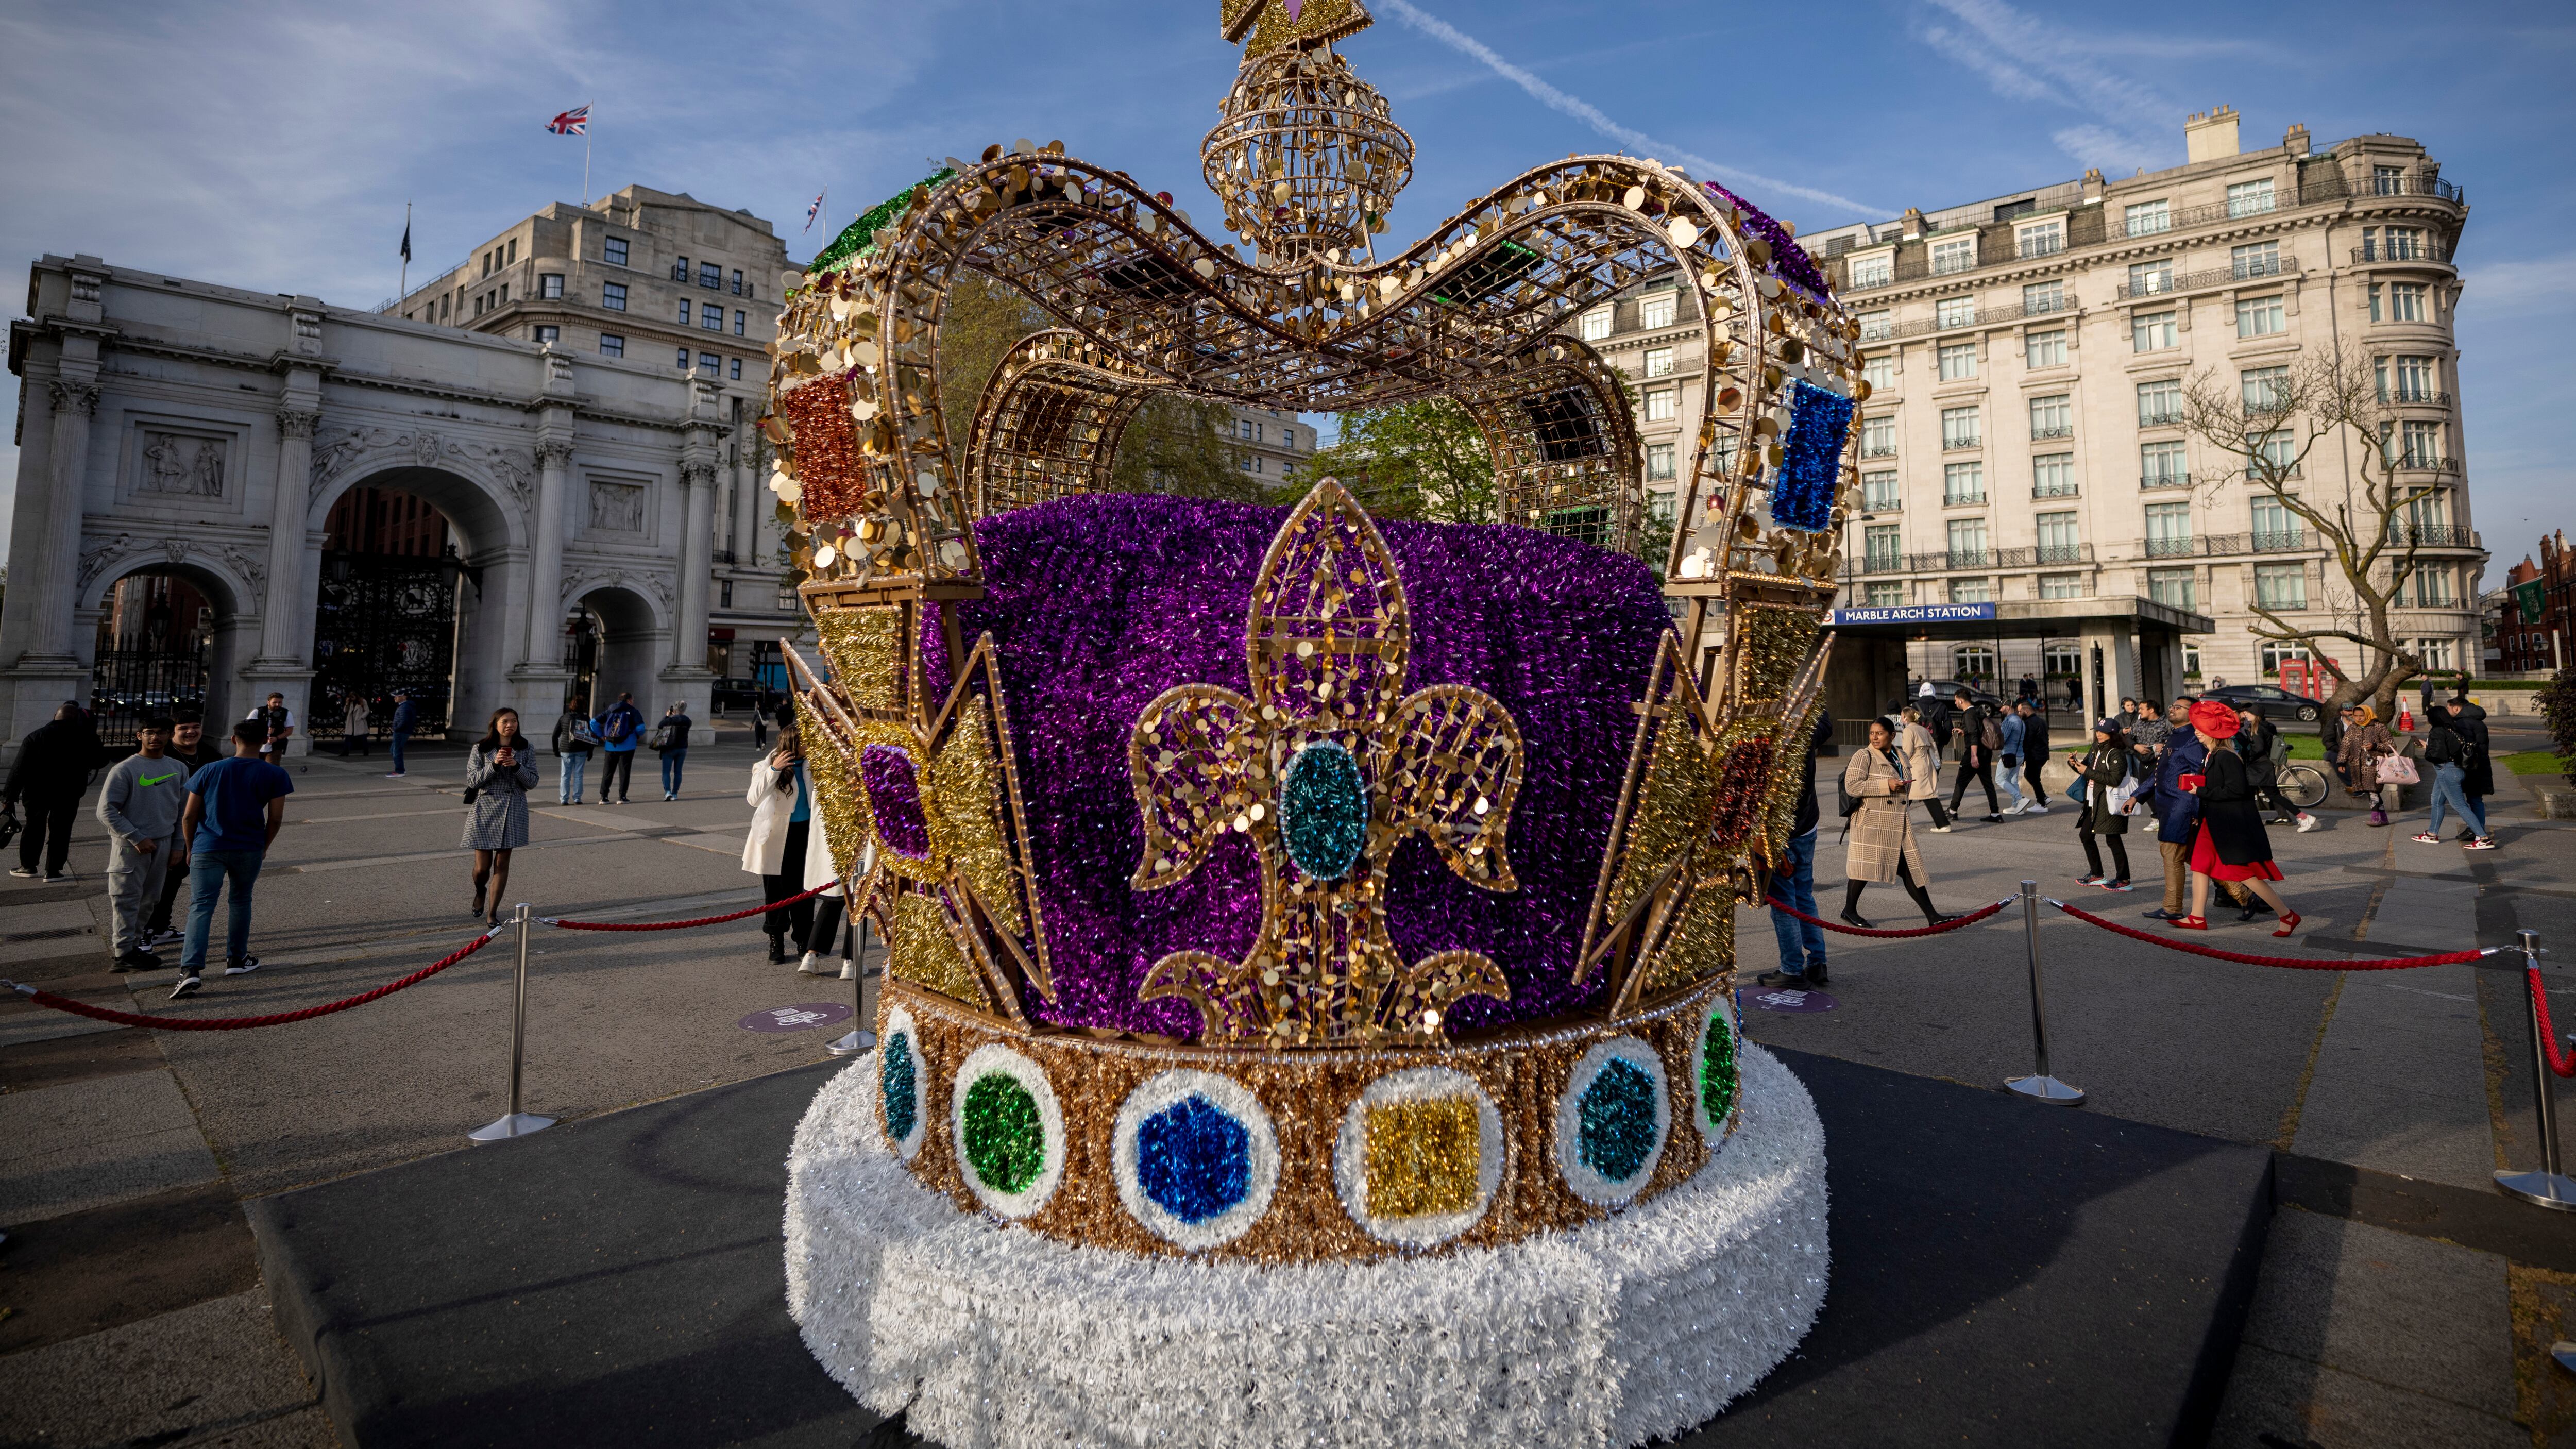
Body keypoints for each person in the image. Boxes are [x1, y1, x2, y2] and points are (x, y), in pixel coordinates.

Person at [173, 718, 294, 997]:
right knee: (240, 900)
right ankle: (237, 959)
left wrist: (191, 848)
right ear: (265, 739)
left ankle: (190, 970)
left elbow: (189, 815)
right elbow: (275, 818)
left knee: (201, 906)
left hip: (208, 845)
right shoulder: (275, 774)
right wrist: (264, 845)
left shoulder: (210, 769)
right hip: (248, 846)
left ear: (233, 740)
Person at [2175, 701, 2300, 935]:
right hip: (2213, 823)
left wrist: (2199, 791)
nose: (2197, 732)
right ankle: (2196, 917)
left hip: (2228, 826)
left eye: (2201, 728)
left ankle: (2287, 915)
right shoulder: (2215, 755)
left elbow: (2236, 791)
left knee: (2243, 874)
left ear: (2213, 732)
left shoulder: (2226, 757)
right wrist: (2200, 810)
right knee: (2200, 866)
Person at [2142, 699, 2259, 922]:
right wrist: (2136, 796)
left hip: (2182, 807)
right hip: (2172, 808)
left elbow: (2201, 778)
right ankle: (2245, 895)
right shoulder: (2177, 736)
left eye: (2178, 707)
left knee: (2172, 854)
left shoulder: (2192, 740)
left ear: (2192, 714)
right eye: (2172, 706)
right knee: (2195, 857)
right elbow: (2161, 775)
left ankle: (2172, 907)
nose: (2172, 708)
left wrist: (2196, 810)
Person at [1840, 717, 1955, 928]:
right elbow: (1853, 786)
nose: (1874, 737)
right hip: (1872, 822)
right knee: (1864, 868)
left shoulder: (1900, 754)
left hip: (1896, 821)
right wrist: (1886, 785)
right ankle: (1849, 910)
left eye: (1880, 733)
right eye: (1872, 733)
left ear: (1892, 736)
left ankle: (1932, 916)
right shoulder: (1863, 755)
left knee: (1907, 869)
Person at [97, 716, 189, 971]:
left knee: (150, 900)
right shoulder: (125, 769)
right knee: (126, 899)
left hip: (164, 845)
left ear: (170, 736)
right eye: (149, 733)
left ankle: (133, 948)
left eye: (161, 733)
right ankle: (122, 953)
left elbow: (182, 810)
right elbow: (106, 811)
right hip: (131, 847)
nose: (155, 738)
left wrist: (178, 846)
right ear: (139, 736)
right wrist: (136, 837)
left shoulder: (178, 768)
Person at [1760, 710, 1834, 989]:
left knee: (1783, 901)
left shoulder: (1770, 739)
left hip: (1782, 831)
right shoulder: (1805, 732)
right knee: (1804, 895)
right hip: (1807, 824)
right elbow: (1825, 724)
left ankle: (1792, 968)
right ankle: (1817, 962)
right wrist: (1811, 700)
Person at [142, 706, 224, 950]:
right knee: (156, 882)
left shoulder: (211, 755)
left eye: (195, 727)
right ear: (172, 732)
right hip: (165, 828)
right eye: (183, 728)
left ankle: (160, 928)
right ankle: (144, 931)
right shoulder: (161, 755)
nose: (191, 732)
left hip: (199, 829)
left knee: (175, 878)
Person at [3, 702, 101, 882]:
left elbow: (19, 769)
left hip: (37, 792)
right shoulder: (85, 736)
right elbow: (100, 761)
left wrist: (9, 796)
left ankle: (28, 866)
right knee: (62, 829)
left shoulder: (36, 736)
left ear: (56, 716)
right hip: (69, 792)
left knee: (34, 827)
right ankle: (54, 870)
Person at [744, 726, 819, 962]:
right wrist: (774, 769)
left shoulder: (812, 766)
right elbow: (753, 799)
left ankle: (804, 941)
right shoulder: (765, 766)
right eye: (806, 742)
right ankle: (776, 941)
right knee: (775, 893)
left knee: (805, 891)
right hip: (776, 838)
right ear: (793, 744)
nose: (810, 745)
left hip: (805, 835)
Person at [462, 708, 540, 925]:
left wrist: (517, 766)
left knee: (502, 864)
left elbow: (532, 782)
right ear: (495, 725)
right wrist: (494, 764)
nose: (510, 725)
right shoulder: (481, 748)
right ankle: (480, 891)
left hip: (514, 808)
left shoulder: (525, 748)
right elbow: (473, 781)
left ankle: (492, 913)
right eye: (505, 721)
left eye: (514, 721)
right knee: (481, 869)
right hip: (486, 809)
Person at [2066, 719, 2134, 890]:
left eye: (2102, 731)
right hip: (2093, 799)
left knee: (2113, 838)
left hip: (2108, 801)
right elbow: (2086, 769)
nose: (2098, 734)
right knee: (2086, 836)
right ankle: (2097, 874)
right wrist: (2074, 764)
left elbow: (2114, 779)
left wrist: (2086, 771)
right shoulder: (2096, 748)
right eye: (2097, 731)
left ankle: (2124, 880)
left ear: (2112, 734)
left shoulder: (2116, 753)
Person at [2238, 707, 2318, 832]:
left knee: (2272, 795)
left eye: (2249, 713)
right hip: (2260, 768)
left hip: (2260, 769)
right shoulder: (2261, 727)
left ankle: (2303, 817)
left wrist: (2246, 757)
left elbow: (2258, 749)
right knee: (2257, 795)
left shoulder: (2258, 729)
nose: (2246, 715)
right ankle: (2294, 817)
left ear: (2256, 715)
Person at [1945, 688, 2004, 823]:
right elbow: (1978, 731)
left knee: (1961, 781)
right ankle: (1995, 813)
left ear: (1961, 700)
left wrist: (1973, 756)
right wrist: (1964, 732)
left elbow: (1974, 735)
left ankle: (1953, 810)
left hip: (1974, 754)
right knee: (1988, 783)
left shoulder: (1968, 714)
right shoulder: (1979, 712)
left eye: (1956, 701)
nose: (1955, 704)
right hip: (1986, 753)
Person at [2336, 703, 2400, 827]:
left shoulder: (2379, 727)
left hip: (2374, 766)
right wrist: (2341, 762)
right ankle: (2384, 818)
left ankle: (2376, 818)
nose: (2359, 718)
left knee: (2373, 791)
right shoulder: (2352, 728)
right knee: (2371, 791)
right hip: (2357, 766)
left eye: (2362, 716)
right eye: (2356, 716)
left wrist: (2375, 746)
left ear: (2369, 714)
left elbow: (2391, 746)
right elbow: (2345, 746)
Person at [2450, 694, 2497, 849]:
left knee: (2473, 800)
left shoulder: (2462, 723)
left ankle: (2478, 832)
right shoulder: (2477, 721)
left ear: (2457, 708)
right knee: (2476, 799)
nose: (2448, 711)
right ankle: (2475, 829)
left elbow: (2465, 747)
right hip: (2480, 763)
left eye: (2449, 708)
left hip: (2471, 765)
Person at [1897, 705, 1951, 832]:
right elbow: (1933, 746)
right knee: (1926, 795)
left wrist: (1900, 762)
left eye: (1902, 716)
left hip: (1915, 765)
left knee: (1909, 794)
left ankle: (1896, 822)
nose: (1901, 718)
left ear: (1905, 718)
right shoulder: (1923, 729)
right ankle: (1942, 824)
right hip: (1926, 763)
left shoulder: (1909, 731)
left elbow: (1908, 752)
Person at [593, 691, 645, 805]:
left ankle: (604, 797)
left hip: (610, 746)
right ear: (629, 700)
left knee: (608, 772)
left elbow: (593, 723)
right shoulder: (633, 711)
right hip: (628, 746)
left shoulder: (610, 710)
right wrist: (635, 734)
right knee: (625, 772)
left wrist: (602, 736)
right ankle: (622, 796)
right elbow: (641, 728)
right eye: (633, 700)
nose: (633, 702)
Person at [551, 696, 596, 805]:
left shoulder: (564, 718)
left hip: (566, 749)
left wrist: (556, 750)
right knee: (579, 774)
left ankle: (564, 799)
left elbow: (555, 735)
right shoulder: (586, 719)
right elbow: (591, 736)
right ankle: (577, 798)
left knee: (565, 775)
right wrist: (591, 751)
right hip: (582, 749)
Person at [2014, 699, 2052, 814]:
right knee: (2031, 776)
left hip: (2035, 755)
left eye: (2020, 711)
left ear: (2026, 710)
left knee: (2033, 777)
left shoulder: (2029, 724)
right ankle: (2044, 798)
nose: (2019, 714)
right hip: (2042, 754)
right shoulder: (2041, 721)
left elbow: (2027, 743)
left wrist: (2023, 758)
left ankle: (2042, 803)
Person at [652, 701, 693, 800]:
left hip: (670, 747)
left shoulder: (671, 720)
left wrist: (668, 716)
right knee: (678, 772)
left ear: (675, 709)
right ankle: (675, 793)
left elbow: (661, 725)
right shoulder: (688, 721)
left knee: (666, 771)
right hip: (683, 747)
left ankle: (668, 792)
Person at [1994, 698, 2029, 815]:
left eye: (2002, 707)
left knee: (1999, 779)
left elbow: (2002, 739)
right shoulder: (2021, 722)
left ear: (2008, 708)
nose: (2000, 709)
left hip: (2009, 755)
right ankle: (2017, 807)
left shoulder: (2009, 721)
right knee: (2013, 781)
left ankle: (2020, 799)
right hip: (2019, 755)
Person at [246, 691, 294, 759]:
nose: (277, 705)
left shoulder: (286, 713)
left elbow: (289, 731)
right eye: (275, 702)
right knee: (255, 766)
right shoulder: (258, 712)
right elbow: (248, 727)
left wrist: (277, 738)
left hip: (276, 746)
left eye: (280, 702)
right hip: (257, 745)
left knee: (272, 766)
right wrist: (264, 730)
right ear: (268, 702)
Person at [387, 689, 419, 778]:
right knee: (394, 750)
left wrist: (396, 728)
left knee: (397, 751)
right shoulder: (404, 706)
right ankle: (400, 769)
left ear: (404, 697)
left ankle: (400, 771)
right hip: (402, 731)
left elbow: (404, 720)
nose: (395, 698)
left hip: (401, 732)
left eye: (397, 696)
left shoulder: (405, 707)